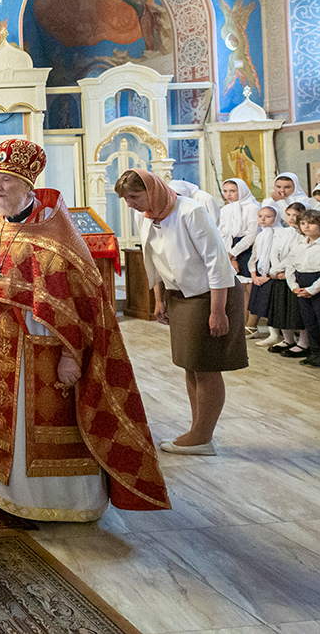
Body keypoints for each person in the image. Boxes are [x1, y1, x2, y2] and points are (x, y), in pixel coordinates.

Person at [0, 141, 169, 521]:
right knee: (7, 431)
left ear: (27, 185)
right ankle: (6, 494)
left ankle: (58, 504)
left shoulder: (57, 235)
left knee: (40, 432)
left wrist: (71, 355)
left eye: (6, 180)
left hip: (41, 356)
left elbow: (82, 306)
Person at [118, 169, 247, 455]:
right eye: (125, 199)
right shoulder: (145, 215)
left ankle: (202, 437)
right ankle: (198, 430)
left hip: (210, 294)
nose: (130, 204)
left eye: (134, 196)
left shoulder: (191, 211)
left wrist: (218, 311)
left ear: (152, 190)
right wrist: (159, 299)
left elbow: (217, 263)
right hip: (180, 295)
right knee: (190, 364)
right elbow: (152, 259)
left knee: (206, 366)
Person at [262, 202, 309, 354]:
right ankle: (288, 339)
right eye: (289, 214)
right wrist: (275, 269)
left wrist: (277, 270)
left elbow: (294, 255)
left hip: (293, 275)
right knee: (281, 308)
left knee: (297, 310)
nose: (291, 218)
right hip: (279, 275)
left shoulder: (304, 234)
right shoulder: (283, 232)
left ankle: (303, 342)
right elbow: (274, 251)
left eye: (296, 215)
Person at [290, 209, 320, 368]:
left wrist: (313, 289)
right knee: (310, 322)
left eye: (311, 223)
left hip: (317, 285)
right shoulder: (300, 244)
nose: (306, 226)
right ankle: (315, 353)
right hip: (301, 284)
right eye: (302, 223)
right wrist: (294, 286)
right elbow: (290, 265)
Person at [246, 204, 282, 340]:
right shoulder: (261, 235)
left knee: (272, 305)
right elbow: (254, 256)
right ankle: (254, 328)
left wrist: (267, 276)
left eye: (268, 216)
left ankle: (275, 335)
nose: (263, 219)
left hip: (272, 274)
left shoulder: (280, 234)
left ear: (276, 217)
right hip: (260, 274)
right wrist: (253, 274)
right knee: (257, 302)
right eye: (260, 216)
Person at [219, 178, 260, 281]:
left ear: (241, 190)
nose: (228, 194)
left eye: (232, 191)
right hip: (229, 245)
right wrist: (229, 254)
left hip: (247, 247)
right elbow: (222, 233)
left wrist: (233, 253)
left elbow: (252, 234)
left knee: (248, 280)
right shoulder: (225, 209)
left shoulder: (253, 207)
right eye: (225, 191)